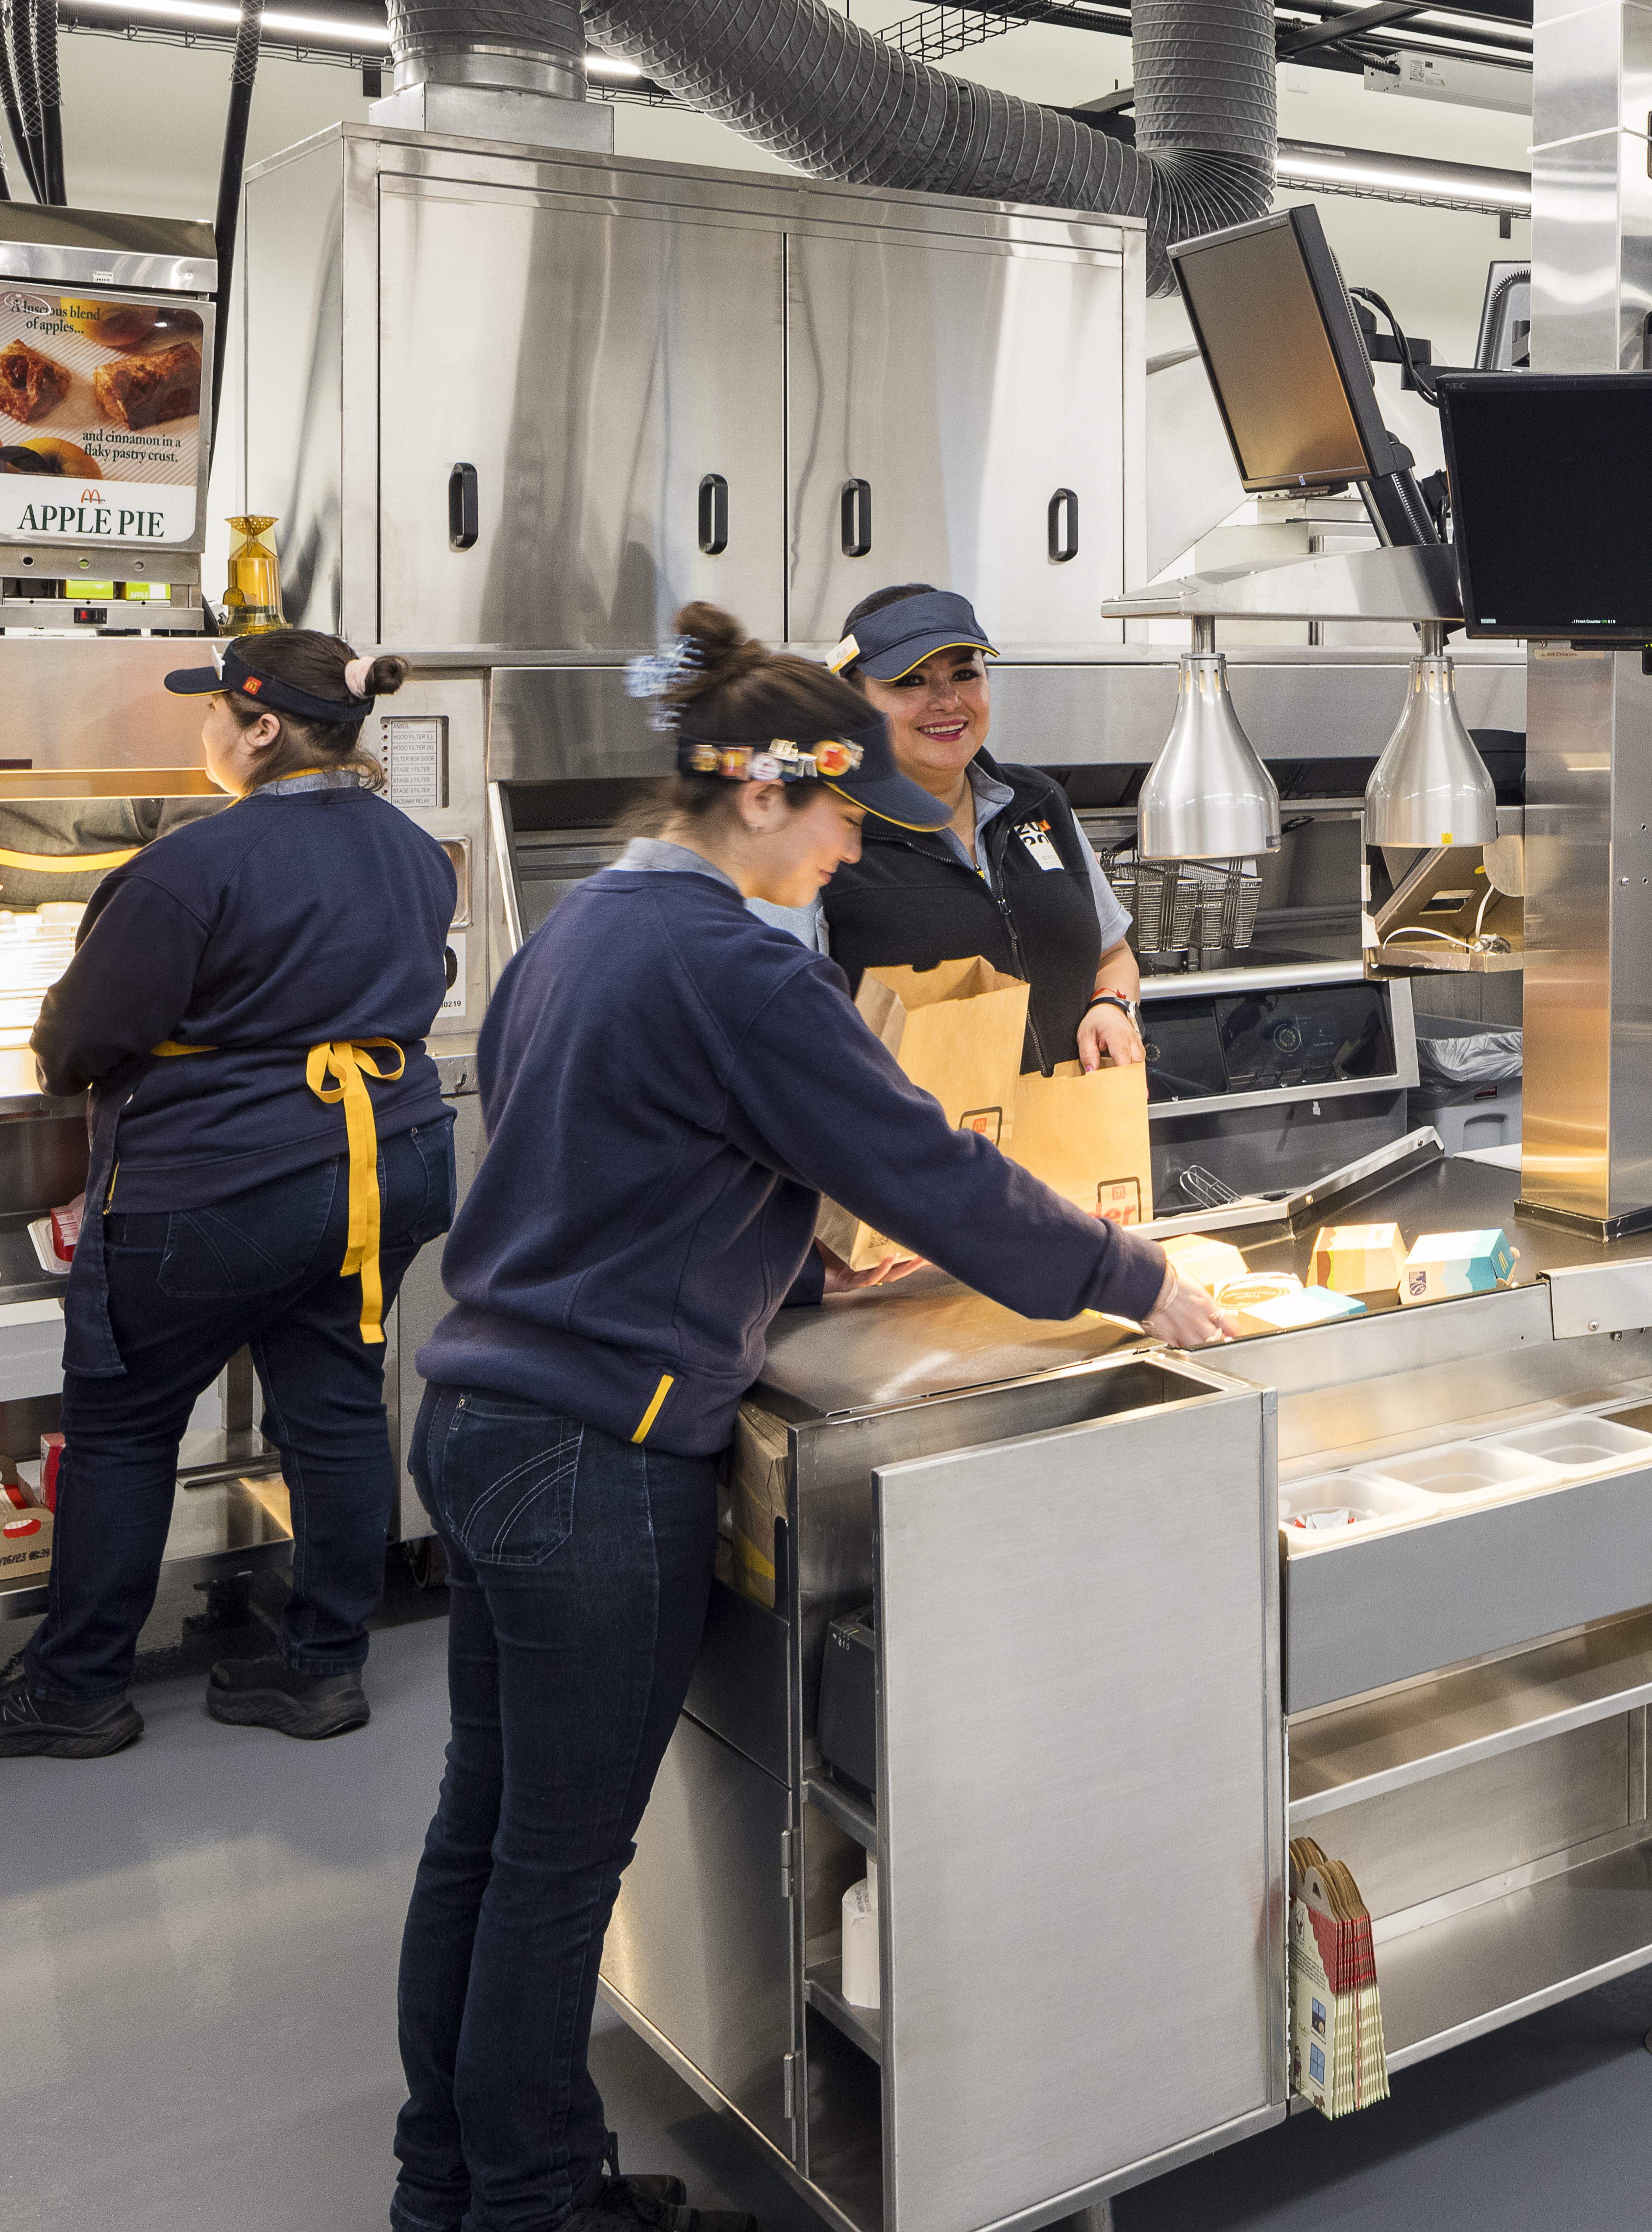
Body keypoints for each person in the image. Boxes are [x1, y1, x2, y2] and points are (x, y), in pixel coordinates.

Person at [392, 603, 1232, 2232]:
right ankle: (522, 2208)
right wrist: (1136, 1277)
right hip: (596, 1454)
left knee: (483, 1838)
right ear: (765, 793)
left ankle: (464, 2175)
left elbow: (603, 1147)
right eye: (845, 808)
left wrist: (780, 1251)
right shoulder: (730, 961)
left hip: (488, 1414)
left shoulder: (591, 920)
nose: (857, 844)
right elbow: (926, 1161)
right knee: (555, 1868)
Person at [0, 632, 459, 1760]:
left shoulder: (191, 867)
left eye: (213, 709)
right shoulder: (414, 847)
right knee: (331, 1405)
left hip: (229, 1184)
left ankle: (78, 1686)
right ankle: (323, 1668)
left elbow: (80, 1043)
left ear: (262, 727)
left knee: (126, 1425)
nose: (204, 729)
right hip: (388, 1166)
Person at [755, 584, 1146, 1078]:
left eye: (965, 674)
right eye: (909, 681)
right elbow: (771, 1033)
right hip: (916, 1151)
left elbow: (1112, 953)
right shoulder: (818, 837)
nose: (946, 700)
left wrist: (1111, 1005)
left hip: (1069, 1135)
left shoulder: (1038, 800)